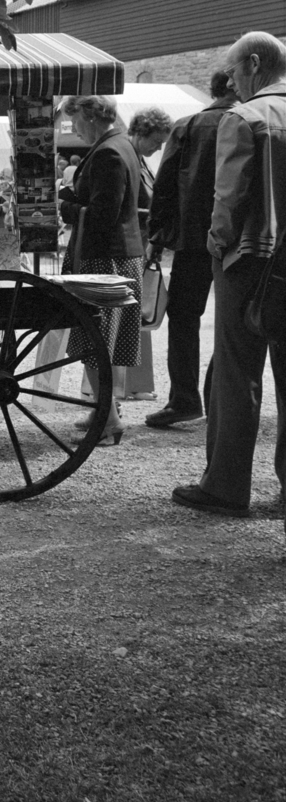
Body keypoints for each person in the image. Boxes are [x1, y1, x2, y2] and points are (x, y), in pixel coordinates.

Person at [173, 32, 286, 518]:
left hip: (250, 260)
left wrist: (215, 246)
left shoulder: (245, 118)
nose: (234, 83)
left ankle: (225, 485)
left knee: (236, 373)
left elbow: (228, 200)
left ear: (254, 64)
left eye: (236, 72)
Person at [145, 72, 238, 428]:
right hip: (241, 240)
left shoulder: (189, 126)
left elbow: (164, 185)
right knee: (236, 323)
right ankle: (220, 398)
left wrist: (157, 237)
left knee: (184, 318)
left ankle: (185, 399)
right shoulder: (254, 121)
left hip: (193, 238)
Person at [57, 94, 143, 444]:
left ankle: (108, 422)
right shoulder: (121, 144)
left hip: (104, 258)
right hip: (119, 253)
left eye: (76, 122)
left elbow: (103, 215)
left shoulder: (108, 152)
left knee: (93, 341)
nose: (75, 130)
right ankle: (104, 410)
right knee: (105, 341)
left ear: (90, 117)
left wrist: (66, 205)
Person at [120, 106, 174, 402]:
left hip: (141, 246)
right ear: (141, 133)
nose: (159, 147)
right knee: (133, 316)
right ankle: (130, 385)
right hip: (133, 246)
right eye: (156, 140)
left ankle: (134, 384)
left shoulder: (139, 159)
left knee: (138, 316)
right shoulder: (131, 158)